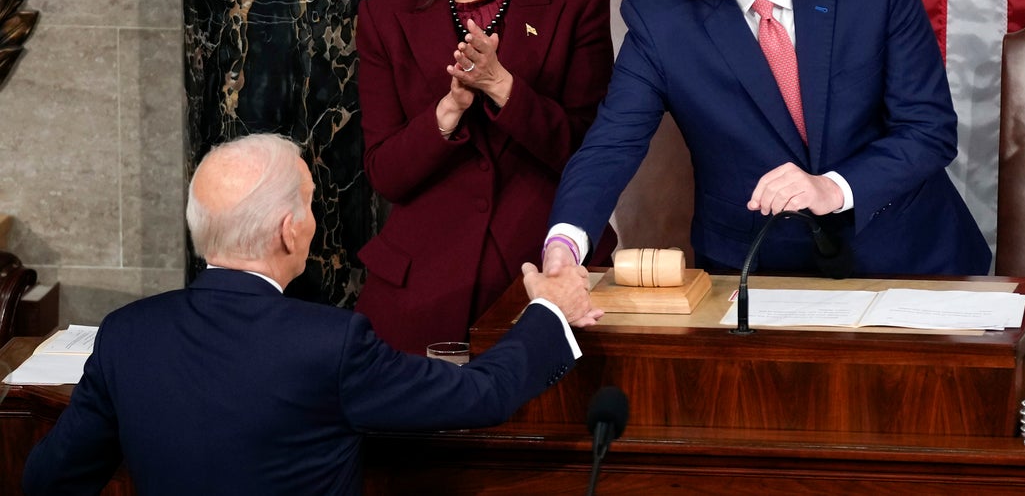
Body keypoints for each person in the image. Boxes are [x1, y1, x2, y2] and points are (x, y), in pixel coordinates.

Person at [22, 133, 601, 496]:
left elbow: (49, 480)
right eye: (308, 202)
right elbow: (483, 395)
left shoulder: (128, 333)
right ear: (289, 229)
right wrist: (550, 308)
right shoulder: (331, 344)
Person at [542, 0, 990, 280]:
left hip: (908, 255)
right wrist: (565, 240)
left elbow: (928, 129)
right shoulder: (659, 16)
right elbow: (611, 144)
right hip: (757, 272)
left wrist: (832, 188)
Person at [353, 0, 615, 354]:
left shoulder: (577, 6)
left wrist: (503, 87)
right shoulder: (384, 18)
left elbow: (592, 157)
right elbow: (386, 175)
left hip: (540, 280)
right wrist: (448, 110)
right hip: (418, 291)